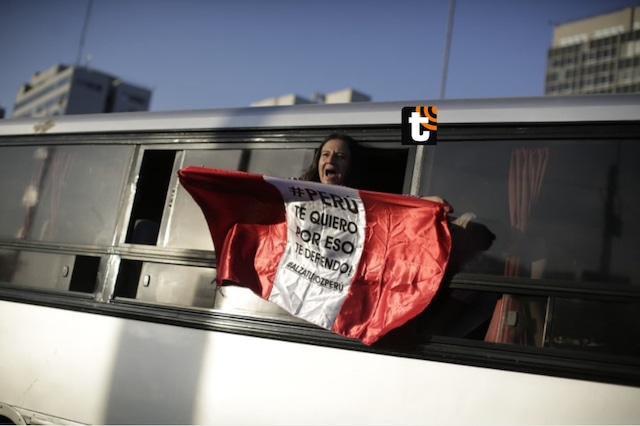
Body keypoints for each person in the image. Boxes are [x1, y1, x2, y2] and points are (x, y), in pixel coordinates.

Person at [299, 132, 453, 212]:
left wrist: (425, 201)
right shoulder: (298, 192)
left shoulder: (360, 198)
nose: (330, 161)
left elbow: (391, 202)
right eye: (325, 155)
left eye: (340, 157)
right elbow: (278, 187)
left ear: (350, 166)